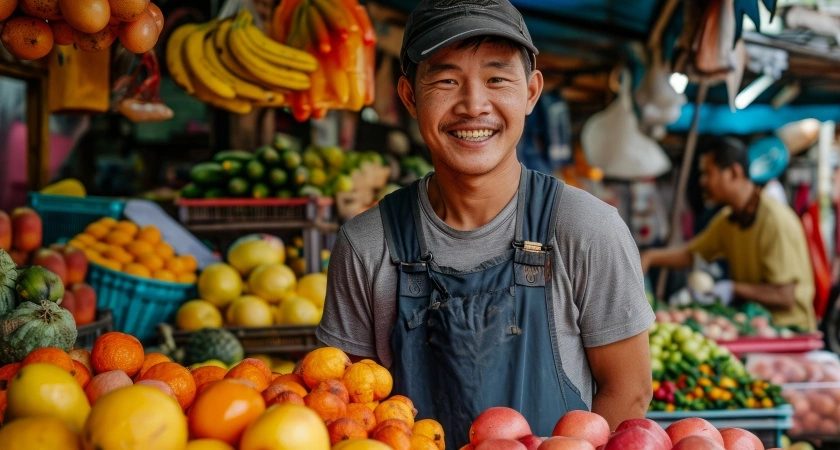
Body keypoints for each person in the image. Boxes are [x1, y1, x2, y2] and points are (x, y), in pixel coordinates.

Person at [316, 0, 655, 446]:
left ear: (531, 92)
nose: (474, 105)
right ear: (409, 96)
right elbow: (345, 410)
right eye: (446, 80)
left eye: (497, 78)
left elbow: (629, 393)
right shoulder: (366, 245)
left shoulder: (587, 230)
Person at [641, 136, 816, 331]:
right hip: (755, 328)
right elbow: (692, 253)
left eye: (708, 173)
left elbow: (785, 296)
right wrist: (650, 257)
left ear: (734, 173)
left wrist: (733, 289)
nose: (702, 182)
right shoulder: (728, 219)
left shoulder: (775, 221)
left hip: (790, 332)